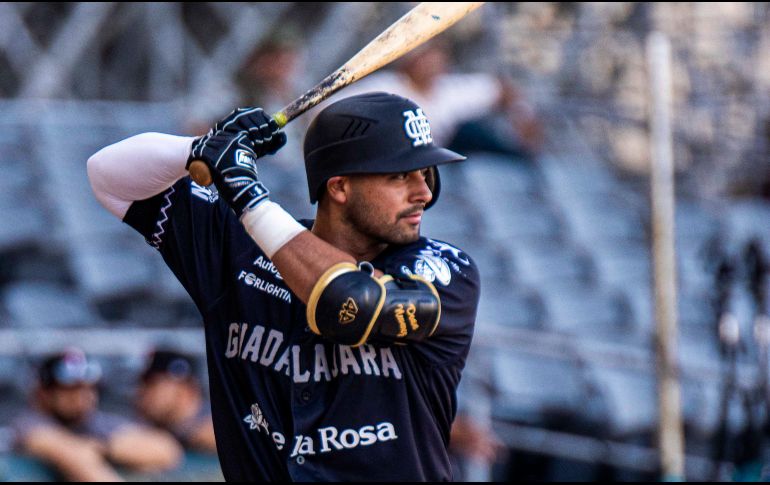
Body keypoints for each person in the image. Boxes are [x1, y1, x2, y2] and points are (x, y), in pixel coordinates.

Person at [87, 92, 480, 481]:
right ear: (339, 188)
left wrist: (250, 200)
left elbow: (349, 300)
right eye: (400, 176)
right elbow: (107, 175)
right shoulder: (240, 249)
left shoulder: (444, 269)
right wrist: (202, 149)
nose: (425, 193)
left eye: (425, 174)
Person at [318, 41, 543, 159]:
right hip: (392, 156)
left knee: (473, 133)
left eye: (437, 59)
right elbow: (329, 111)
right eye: (426, 59)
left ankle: (526, 159)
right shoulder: (386, 87)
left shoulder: (450, 89)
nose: (433, 65)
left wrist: (521, 112)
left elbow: (501, 89)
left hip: (436, 158)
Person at [11, 348, 182, 482]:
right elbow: (71, 455)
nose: (81, 396)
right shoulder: (29, 422)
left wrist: (104, 449)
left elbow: (166, 450)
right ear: (44, 393)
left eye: (88, 387)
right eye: (70, 388)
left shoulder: (93, 422)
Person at [135, 349, 217, 453]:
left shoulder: (220, 422)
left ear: (184, 391)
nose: (141, 391)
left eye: (152, 384)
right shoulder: (154, 426)